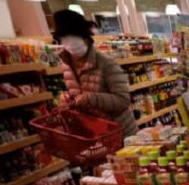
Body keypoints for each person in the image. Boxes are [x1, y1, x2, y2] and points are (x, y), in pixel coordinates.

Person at [53, 9, 137, 137]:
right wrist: (69, 99)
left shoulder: (106, 63)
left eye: (74, 38)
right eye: (65, 39)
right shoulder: (66, 65)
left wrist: (91, 98)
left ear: (85, 38)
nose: (70, 44)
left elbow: (123, 100)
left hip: (120, 132)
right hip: (94, 133)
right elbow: (77, 93)